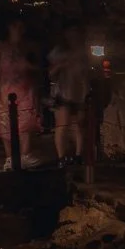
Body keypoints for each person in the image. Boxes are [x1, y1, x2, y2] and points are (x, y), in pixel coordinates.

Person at [0, 17, 42, 169]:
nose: (17, 30)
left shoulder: (28, 46)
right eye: (14, 26)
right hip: (5, 89)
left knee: (26, 122)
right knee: (5, 122)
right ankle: (10, 157)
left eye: (20, 27)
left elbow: (39, 68)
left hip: (25, 88)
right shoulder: (1, 46)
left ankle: (25, 155)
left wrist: (28, 66)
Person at [46, 25, 91, 167]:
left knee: (79, 125)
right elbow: (50, 73)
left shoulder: (84, 52)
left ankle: (78, 156)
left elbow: (87, 72)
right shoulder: (59, 52)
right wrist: (62, 65)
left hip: (80, 92)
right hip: (63, 91)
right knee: (62, 125)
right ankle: (61, 157)